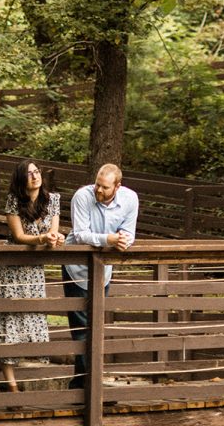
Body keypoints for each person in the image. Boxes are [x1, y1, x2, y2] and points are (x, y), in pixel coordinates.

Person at [0, 160, 60, 393]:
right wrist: (42, 239)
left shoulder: (53, 200)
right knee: (9, 324)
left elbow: (53, 230)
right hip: (11, 270)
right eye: (28, 174)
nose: (34, 176)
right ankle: (12, 385)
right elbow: (18, 236)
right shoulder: (13, 200)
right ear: (20, 179)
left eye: (37, 172)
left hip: (34, 270)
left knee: (30, 326)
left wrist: (55, 238)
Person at [62, 163, 139, 388]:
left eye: (104, 187)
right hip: (76, 268)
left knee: (96, 326)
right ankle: (93, 386)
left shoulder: (130, 199)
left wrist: (124, 241)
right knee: (82, 329)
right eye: (97, 184)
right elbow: (81, 234)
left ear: (117, 186)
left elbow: (129, 232)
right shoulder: (82, 197)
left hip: (103, 270)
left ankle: (80, 385)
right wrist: (110, 239)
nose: (99, 190)